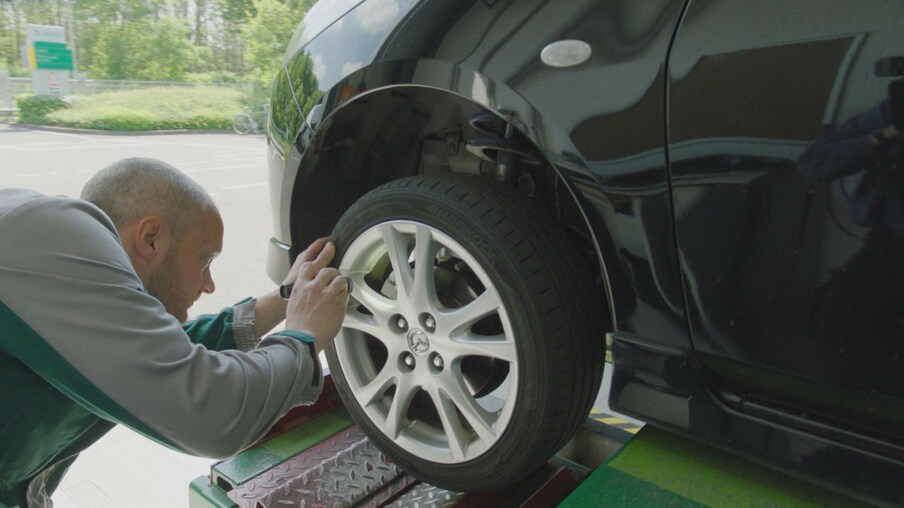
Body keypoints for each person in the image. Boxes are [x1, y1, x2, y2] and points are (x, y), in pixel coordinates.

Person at [0, 157, 349, 508]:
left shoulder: (53, 272)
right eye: (205, 260)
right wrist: (302, 335)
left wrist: (284, 299)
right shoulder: (53, 233)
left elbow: (157, 356)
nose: (210, 284)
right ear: (151, 238)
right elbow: (212, 412)